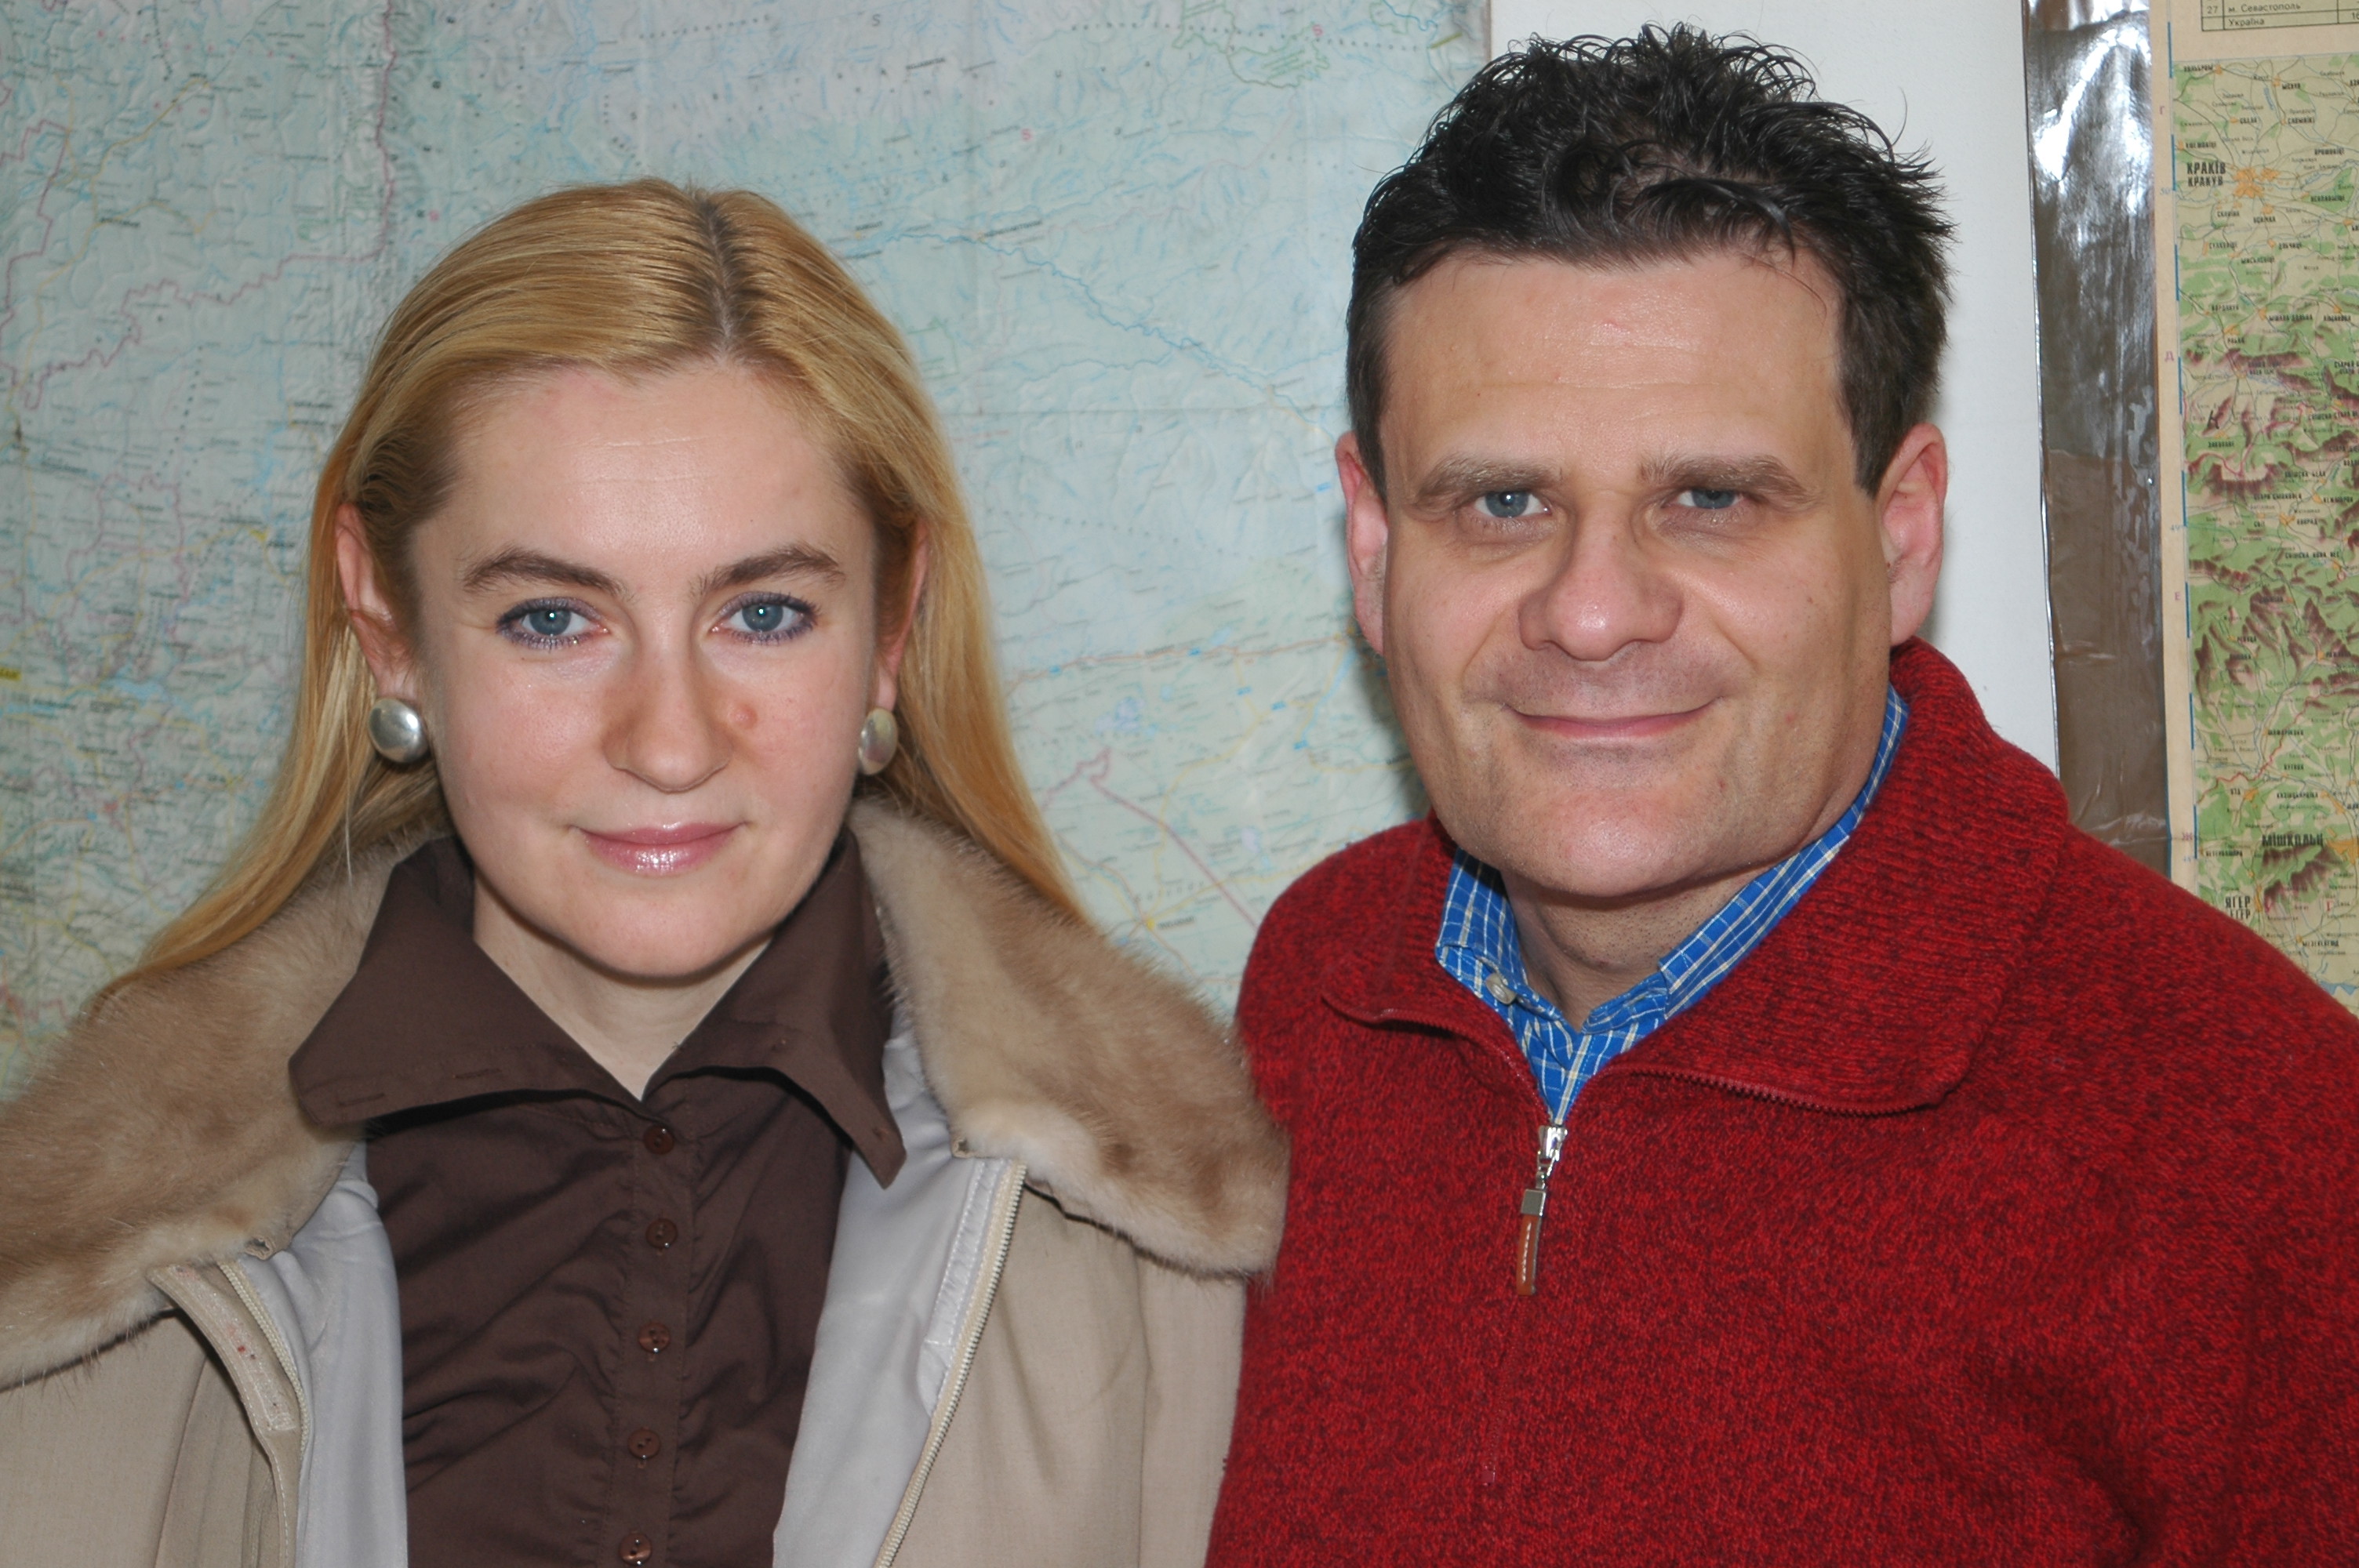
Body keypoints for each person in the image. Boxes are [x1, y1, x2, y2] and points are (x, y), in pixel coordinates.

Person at [0, 179, 1283, 1568]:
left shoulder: (1193, 1235)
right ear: (386, 622)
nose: (669, 744)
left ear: (891, 630)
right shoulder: (64, 1275)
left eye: (763, 613)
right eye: (554, 619)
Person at [1208, 27, 2359, 1565]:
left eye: (1709, 499)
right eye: (1502, 502)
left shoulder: (2253, 1141)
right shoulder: (1311, 998)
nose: (1592, 613)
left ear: (1899, 537)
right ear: (1372, 550)